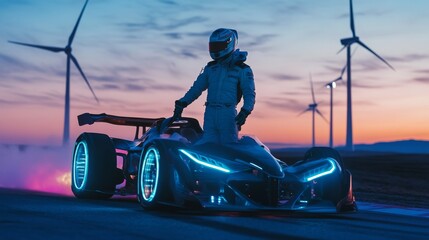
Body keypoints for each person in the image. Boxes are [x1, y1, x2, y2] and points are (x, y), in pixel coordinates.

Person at [173, 28, 255, 145]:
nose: (215, 50)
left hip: (227, 113)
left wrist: (245, 111)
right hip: (210, 112)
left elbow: (249, 93)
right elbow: (197, 88)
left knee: (228, 148)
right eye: (213, 46)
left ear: (229, 44)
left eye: (218, 46)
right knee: (208, 148)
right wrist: (182, 103)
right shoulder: (211, 68)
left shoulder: (242, 69)